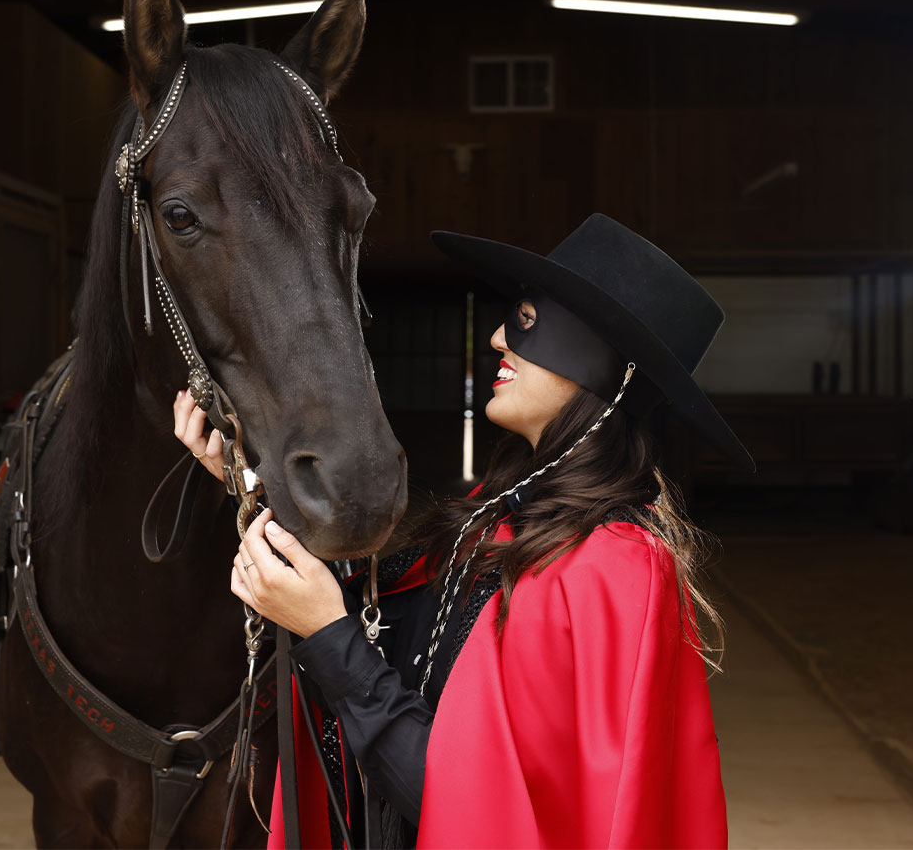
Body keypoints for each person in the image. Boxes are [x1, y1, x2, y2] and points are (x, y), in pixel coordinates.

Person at [171, 213, 754, 849]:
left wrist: (327, 636)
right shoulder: (498, 514)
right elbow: (397, 654)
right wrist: (253, 484)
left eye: (532, 323)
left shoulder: (613, 567)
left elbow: (483, 812)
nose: (500, 336)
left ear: (614, 373)